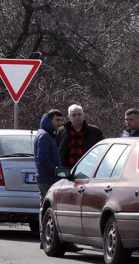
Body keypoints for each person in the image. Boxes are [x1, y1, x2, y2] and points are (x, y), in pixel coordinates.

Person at [33, 109, 65, 248]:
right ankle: (48, 240)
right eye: (57, 120)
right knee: (50, 209)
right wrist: (59, 172)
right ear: (49, 119)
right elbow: (43, 161)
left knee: (45, 208)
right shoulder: (45, 136)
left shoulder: (47, 135)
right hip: (47, 179)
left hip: (47, 177)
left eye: (61, 120)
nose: (59, 123)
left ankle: (45, 240)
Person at [56, 104, 104, 169]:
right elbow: (56, 153)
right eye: (73, 115)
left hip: (88, 173)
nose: (77, 117)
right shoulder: (61, 132)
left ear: (83, 116)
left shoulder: (95, 132)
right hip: (66, 173)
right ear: (69, 117)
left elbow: (102, 153)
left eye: (79, 114)